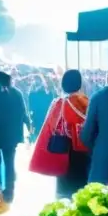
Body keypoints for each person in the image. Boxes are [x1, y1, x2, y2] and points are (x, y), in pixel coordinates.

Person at [30, 69, 90, 198]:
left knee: (64, 190)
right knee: (82, 188)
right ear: (80, 83)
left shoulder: (58, 103)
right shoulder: (87, 102)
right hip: (84, 151)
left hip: (64, 150)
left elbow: (51, 128)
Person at [0, 71, 31, 202]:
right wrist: (27, 127)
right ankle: (9, 191)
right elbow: (23, 112)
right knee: (10, 162)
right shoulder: (17, 93)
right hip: (11, 136)